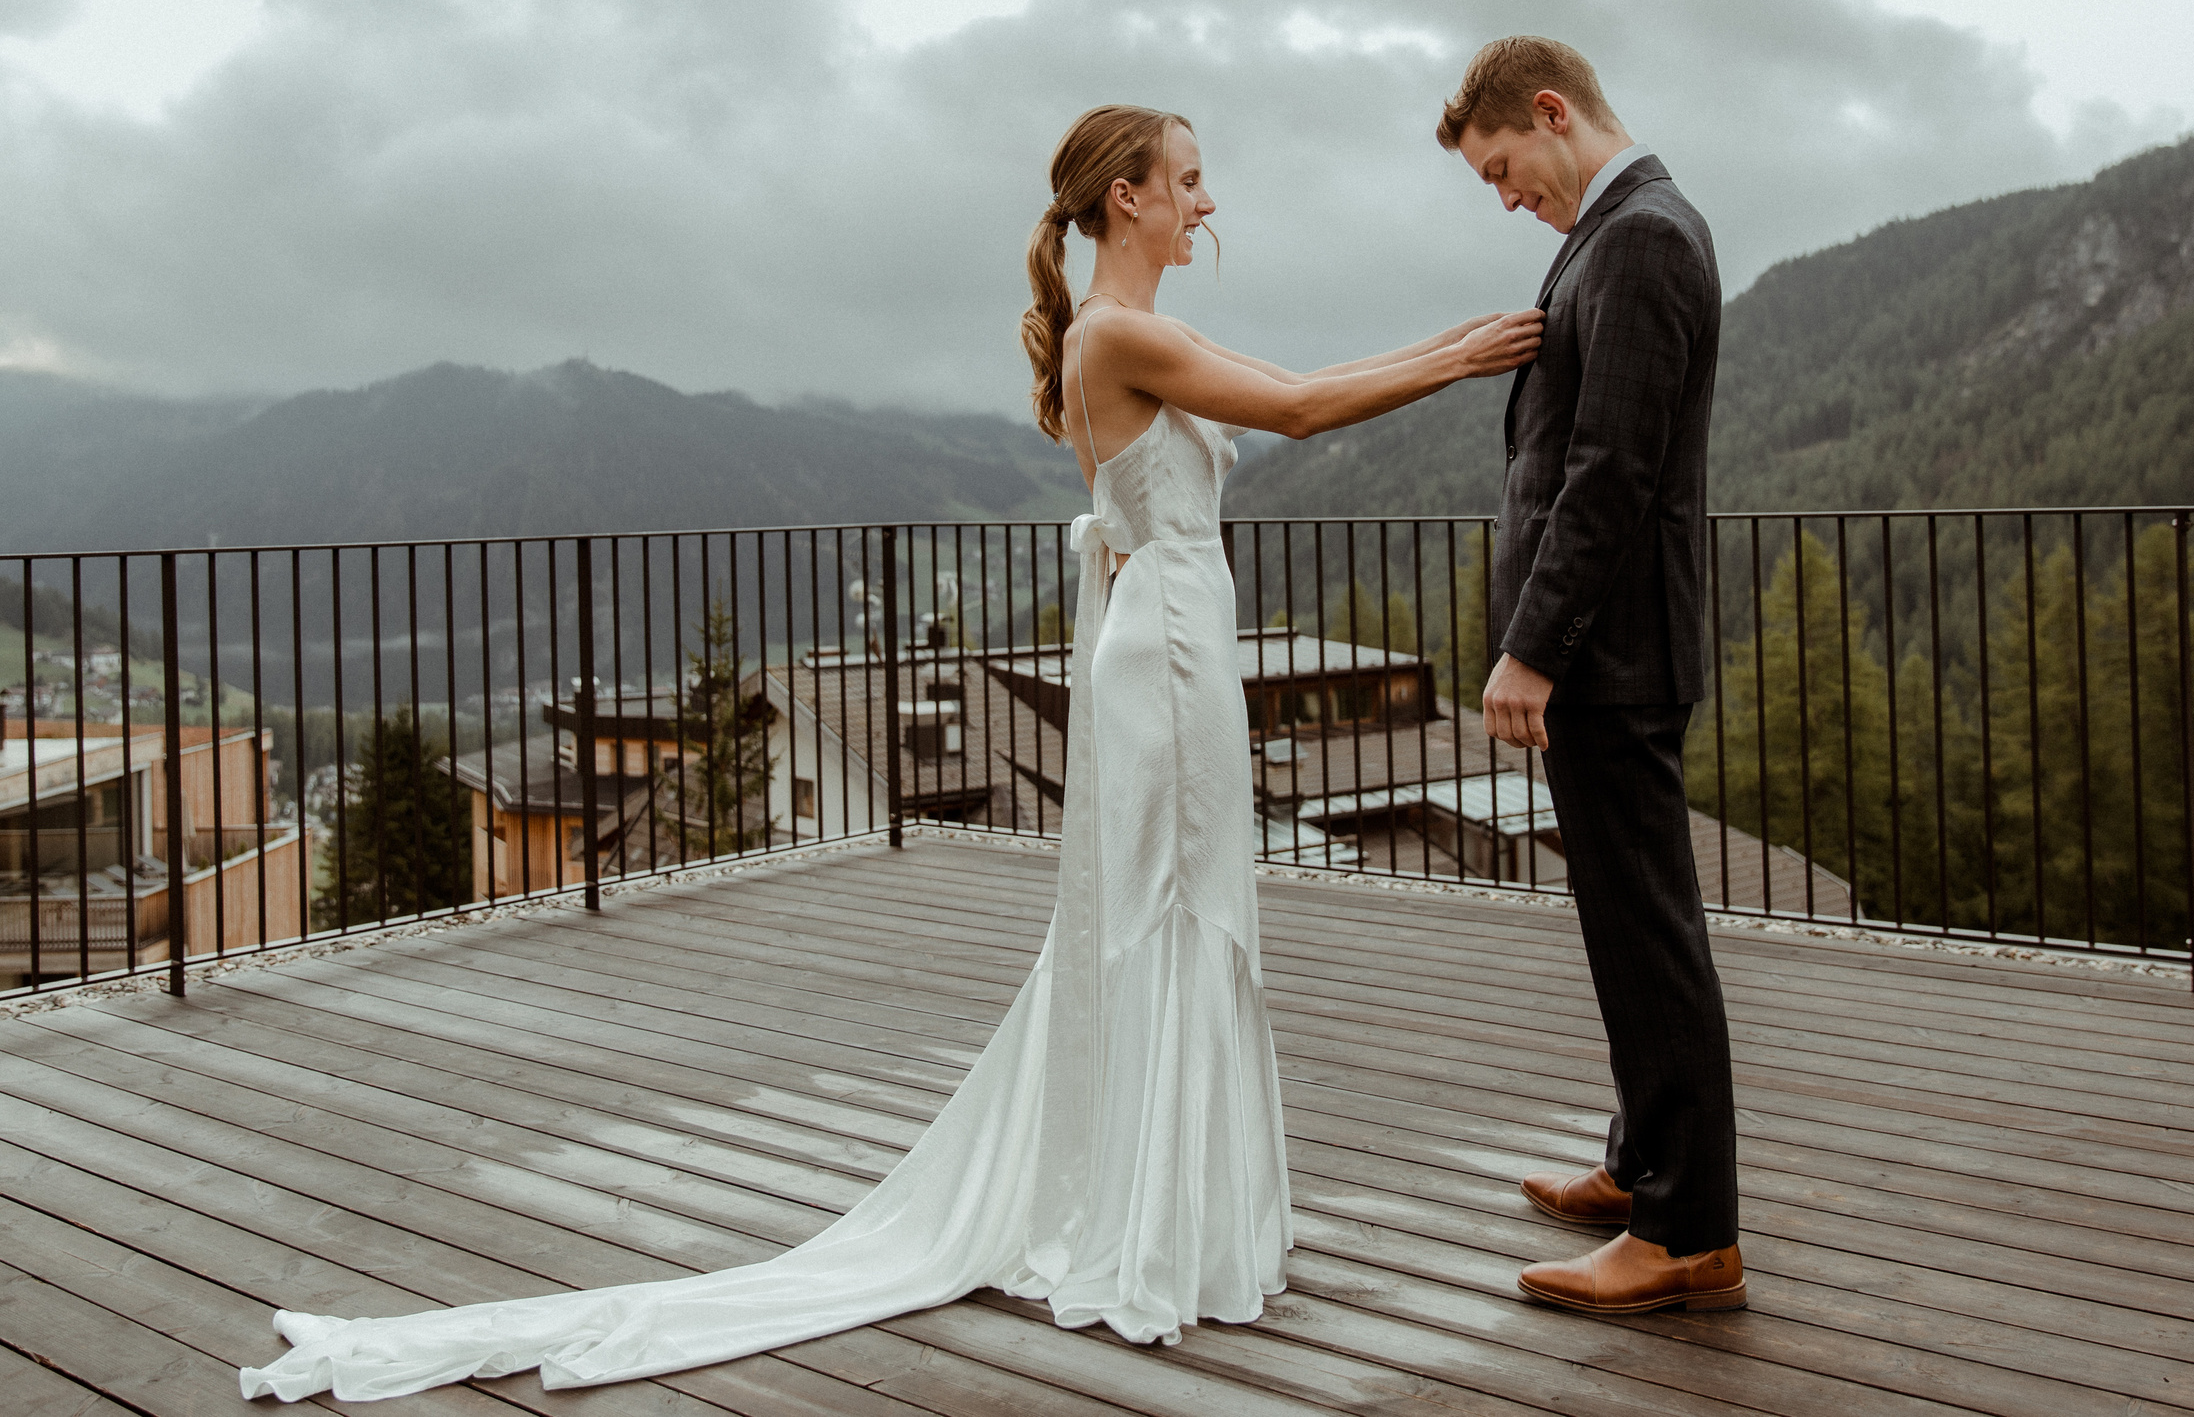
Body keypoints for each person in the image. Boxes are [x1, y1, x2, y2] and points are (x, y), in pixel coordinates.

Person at [238, 105, 1540, 1402]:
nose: (1211, 201)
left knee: (1181, 905)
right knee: (1172, 905)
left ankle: (1172, 1205)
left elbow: (1299, 383)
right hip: (1175, 652)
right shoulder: (1122, 333)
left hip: (1172, 631)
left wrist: (1464, 337)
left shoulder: (1142, 327)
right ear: (1127, 197)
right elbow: (1305, 412)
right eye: (1191, 180)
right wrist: (1475, 357)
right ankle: (1155, 1218)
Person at [1438, 38, 1744, 1316]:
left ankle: (1686, 1232)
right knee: (1621, 927)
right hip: (1604, 656)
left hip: (1608, 659)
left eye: (1503, 166)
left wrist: (1530, 649)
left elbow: (1608, 470)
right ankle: (1640, 1165)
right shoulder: (1611, 234)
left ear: (1552, 114)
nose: (1503, 195)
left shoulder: (1638, 239)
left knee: (1649, 931)